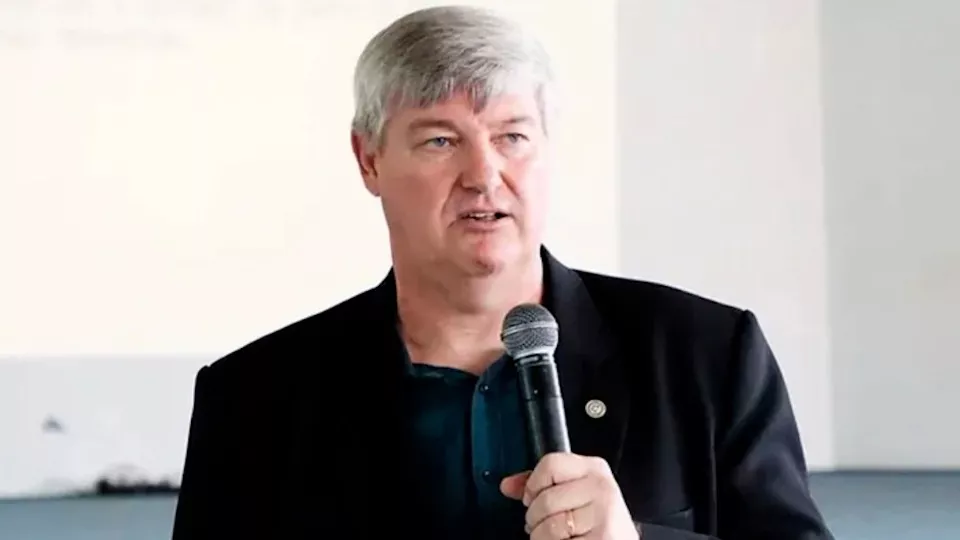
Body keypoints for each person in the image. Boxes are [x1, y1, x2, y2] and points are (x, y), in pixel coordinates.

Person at [171, 5, 834, 540]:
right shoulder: (255, 399)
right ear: (368, 159)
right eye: (440, 140)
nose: (483, 175)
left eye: (511, 136)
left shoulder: (706, 355)